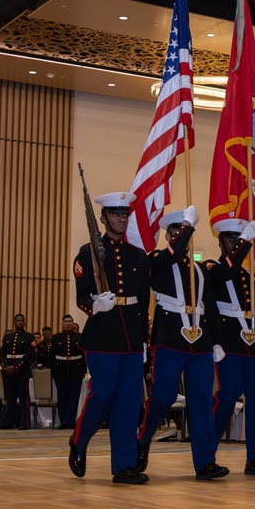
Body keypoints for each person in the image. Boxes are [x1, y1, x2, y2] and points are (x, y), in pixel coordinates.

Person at [135, 207, 229, 481]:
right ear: (168, 234)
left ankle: (205, 461)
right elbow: (169, 257)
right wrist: (188, 224)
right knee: (162, 397)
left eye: (185, 231)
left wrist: (217, 341)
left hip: (199, 341)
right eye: (176, 230)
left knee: (201, 401)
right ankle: (142, 441)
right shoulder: (156, 259)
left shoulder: (199, 269)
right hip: (169, 338)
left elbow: (210, 306)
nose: (181, 236)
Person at [68, 191, 150, 484]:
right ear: (103, 218)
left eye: (125, 214)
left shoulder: (137, 256)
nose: (121, 219)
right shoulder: (87, 252)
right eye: (115, 214)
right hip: (102, 335)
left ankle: (124, 465)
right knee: (101, 395)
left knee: (129, 402)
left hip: (130, 338)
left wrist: (143, 343)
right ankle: (79, 440)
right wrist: (94, 305)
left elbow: (142, 302)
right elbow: (81, 297)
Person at [209, 217, 255, 477]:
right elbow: (226, 273)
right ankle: (207, 454)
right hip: (229, 343)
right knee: (227, 398)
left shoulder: (252, 276)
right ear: (220, 241)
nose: (235, 243)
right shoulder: (212, 267)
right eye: (230, 238)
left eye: (239, 239)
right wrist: (215, 340)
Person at [0, 313, 34, 430]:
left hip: (21, 373)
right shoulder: (7, 337)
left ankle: (24, 422)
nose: (20, 322)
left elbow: (28, 355)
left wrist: (14, 367)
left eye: (22, 321)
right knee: (10, 399)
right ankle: (8, 422)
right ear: (14, 322)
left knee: (24, 399)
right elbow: (2, 354)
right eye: (18, 320)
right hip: (8, 373)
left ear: (25, 322)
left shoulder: (29, 337)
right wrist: (6, 367)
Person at [51, 314, 85, 430]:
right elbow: (52, 356)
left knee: (73, 399)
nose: (68, 323)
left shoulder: (80, 337)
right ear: (62, 324)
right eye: (65, 321)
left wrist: (83, 370)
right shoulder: (56, 338)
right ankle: (64, 422)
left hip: (76, 371)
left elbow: (84, 355)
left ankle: (72, 421)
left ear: (73, 323)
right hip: (60, 372)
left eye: (70, 321)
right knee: (62, 398)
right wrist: (53, 372)